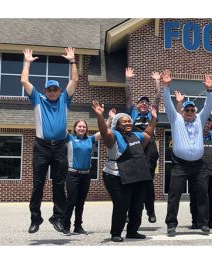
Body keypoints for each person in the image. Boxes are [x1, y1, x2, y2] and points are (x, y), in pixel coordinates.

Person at [22, 48, 78, 234]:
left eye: (55, 89)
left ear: (59, 91)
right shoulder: (38, 99)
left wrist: (72, 61)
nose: (53, 92)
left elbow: (75, 80)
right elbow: (24, 81)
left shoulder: (64, 100)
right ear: (45, 91)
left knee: (59, 183)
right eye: (50, 89)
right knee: (38, 183)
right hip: (42, 148)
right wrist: (27, 62)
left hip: (60, 147)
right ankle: (35, 219)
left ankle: (58, 217)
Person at [92, 100, 157, 242]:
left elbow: (147, 134)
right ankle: (116, 233)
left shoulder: (135, 135)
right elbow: (104, 132)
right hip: (115, 176)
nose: (128, 124)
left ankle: (132, 231)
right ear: (117, 125)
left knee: (137, 204)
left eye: (129, 121)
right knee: (122, 204)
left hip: (135, 175)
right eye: (124, 122)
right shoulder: (113, 136)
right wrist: (99, 117)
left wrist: (154, 119)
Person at [162, 69, 212, 236]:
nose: (190, 112)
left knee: (201, 194)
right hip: (180, 165)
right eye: (187, 110)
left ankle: (203, 223)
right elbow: (168, 104)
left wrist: (209, 90)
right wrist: (166, 87)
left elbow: (209, 106)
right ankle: (171, 224)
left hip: (199, 165)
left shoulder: (200, 119)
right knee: (174, 194)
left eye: (192, 110)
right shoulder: (175, 119)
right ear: (182, 111)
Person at [173, 90, 212, 229]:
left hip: (211, 172)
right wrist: (179, 103)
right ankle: (196, 221)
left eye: (208, 124)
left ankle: (209, 221)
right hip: (196, 170)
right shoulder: (192, 133)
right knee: (195, 198)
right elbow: (179, 118)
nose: (206, 125)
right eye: (204, 123)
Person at [125, 67, 161, 223]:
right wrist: (128, 80)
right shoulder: (132, 113)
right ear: (137, 105)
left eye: (147, 103)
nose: (144, 104)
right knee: (134, 182)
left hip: (150, 150)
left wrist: (157, 82)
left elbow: (158, 97)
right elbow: (128, 96)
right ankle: (132, 213)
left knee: (147, 181)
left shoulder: (151, 113)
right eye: (141, 102)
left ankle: (151, 211)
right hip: (135, 148)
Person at [63, 120, 101, 235]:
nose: (81, 128)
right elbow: (60, 127)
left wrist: (109, 119)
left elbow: (103, 131)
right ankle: (65, 226)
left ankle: (78, 227)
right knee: (71, 201)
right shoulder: (69, 138)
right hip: (72, 175)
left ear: (86, 129)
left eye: (84, 126)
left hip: (86, 176)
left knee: (81, 202)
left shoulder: (90, 140)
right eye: (79, 126)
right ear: (75, 128)